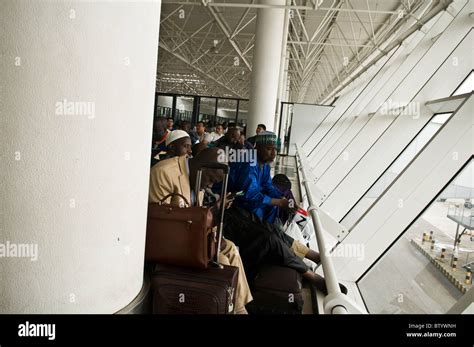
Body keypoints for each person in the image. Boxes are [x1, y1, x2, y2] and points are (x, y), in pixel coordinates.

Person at [221, 131, 347, 295]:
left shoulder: (263, 163)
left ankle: (313, 255)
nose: (273, 153)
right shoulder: (249, 162)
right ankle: (309, 275)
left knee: (275, 232)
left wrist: (283, 198)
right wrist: (280, 202)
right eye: (269, 149)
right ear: (257, 147)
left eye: (275, 149)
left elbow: (268, 187)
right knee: (270, 238)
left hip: (246, 211)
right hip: (236, 210)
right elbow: (249, 195)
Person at [148, 148, 253, 313]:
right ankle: (235, 309)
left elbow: (196, 216)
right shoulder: (165, 173)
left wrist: (213, 223)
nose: (210, 186)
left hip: (189, 237)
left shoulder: (196, 177)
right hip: (170, 244)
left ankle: (239, 307)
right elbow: (161, 223)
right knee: (223, 261)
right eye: (210, 179)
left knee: (231, 248)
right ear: (201, 166)